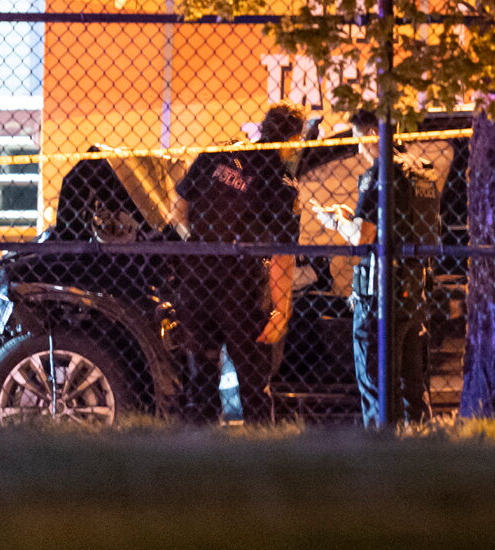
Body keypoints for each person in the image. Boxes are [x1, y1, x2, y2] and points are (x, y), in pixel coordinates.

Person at [174, 101, 305, 424]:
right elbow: (281, 256)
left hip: (197, 282)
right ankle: (259, 455)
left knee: (201, 379)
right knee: (254, 384)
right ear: (293, 141)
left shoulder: (216, 155)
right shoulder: (282, 184)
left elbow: (178, 209)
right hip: (244, 290)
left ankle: (194, 453)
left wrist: (202, 244)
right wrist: (281, 309)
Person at [311, 110, 441, 428]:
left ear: (371, 134)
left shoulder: (379, 173)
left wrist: (334, 221)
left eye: (358, 140)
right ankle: (421, 448)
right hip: (414, 290)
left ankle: (381, 454)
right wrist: (350, 215)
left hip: (379, 293)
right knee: (413, 384)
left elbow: (364, 236)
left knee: (375, 383)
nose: (358, 150)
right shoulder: (420, 170)